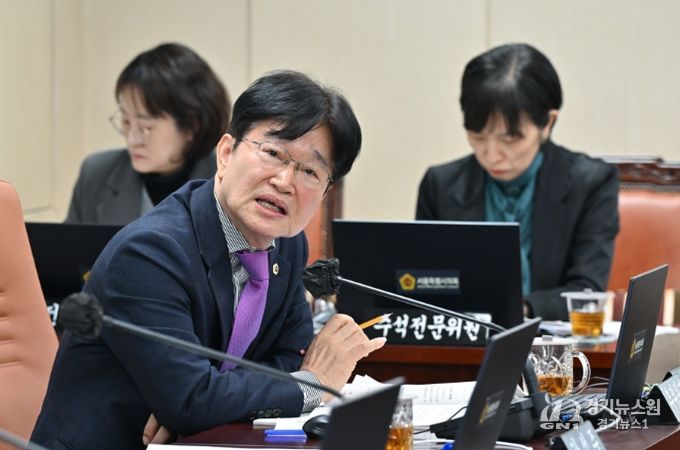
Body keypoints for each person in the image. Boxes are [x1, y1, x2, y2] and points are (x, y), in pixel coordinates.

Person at [32, 70, 385, 449]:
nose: (285, 181)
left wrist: (211, 404)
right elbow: (192, 399)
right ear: (226, 153)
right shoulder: (149, 253)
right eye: (272, 153)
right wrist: (313, 385)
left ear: (325, 192)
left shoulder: (288, 245)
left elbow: (286, 358)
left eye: (310, 171)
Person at [416, 43, 619, 321]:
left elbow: (587, 290)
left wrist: (516, 309)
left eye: (510, 139)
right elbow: (422, 282)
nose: (491, 155)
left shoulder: (591, 183)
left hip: (552, 340)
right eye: (477, 136)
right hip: (463, 339)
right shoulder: (440, 184)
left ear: (548, 123)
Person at [65, 42, 230, 225]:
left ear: (191, 127)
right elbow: (68, 243)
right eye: (126, 121)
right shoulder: (96, 174)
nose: (132, 139)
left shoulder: (227, 181)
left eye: (146, 128)